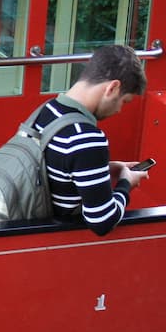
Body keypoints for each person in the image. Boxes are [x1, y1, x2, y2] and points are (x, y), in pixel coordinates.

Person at [33, 43, 148, 236]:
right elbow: (102, 222)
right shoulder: (86, 137)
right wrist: (126, 183)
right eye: (124, 101)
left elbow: (57, 170)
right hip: (57, 241)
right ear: (113, 87)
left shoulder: (48, 110)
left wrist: (105, 169)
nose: (119, 110)